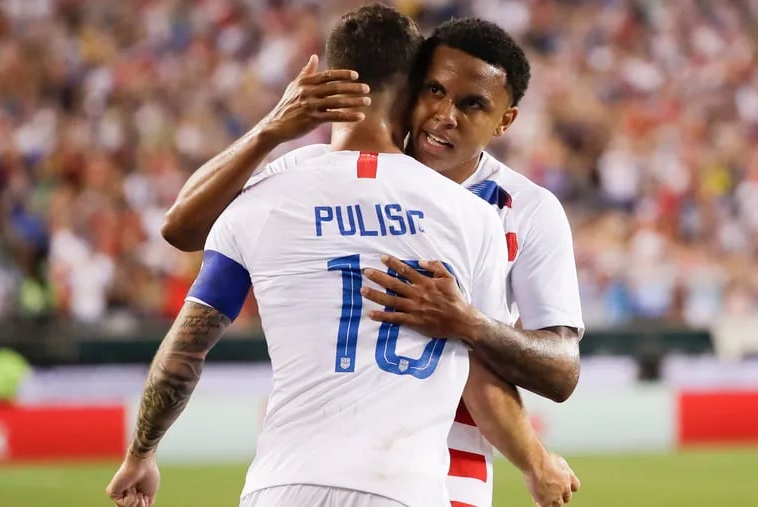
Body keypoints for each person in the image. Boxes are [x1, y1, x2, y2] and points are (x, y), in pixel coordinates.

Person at [157, 12, 581, 507]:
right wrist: (271, 128)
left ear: (505, 121)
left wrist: (470, 324)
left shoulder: (524, 210)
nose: (445, 115)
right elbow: (182, 229)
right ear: (409, 88)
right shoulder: (326, 175)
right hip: (330, 460)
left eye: (472, 104)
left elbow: (560, 369)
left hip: (449, 469)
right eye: (434, 91)